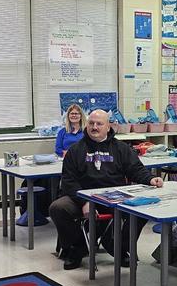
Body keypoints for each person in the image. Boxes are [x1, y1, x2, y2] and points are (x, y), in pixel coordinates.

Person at [49, 110, 163, 270]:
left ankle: (119, 246)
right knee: (57, 208)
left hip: (115, 197)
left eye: (99, 124)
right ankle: (78, 247)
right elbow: (68, 181)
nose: (94, 127)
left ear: (108, 127)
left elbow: (136, 169)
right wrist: (84, 202)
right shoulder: (75, 150)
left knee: (142, 210)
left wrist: (150, 179)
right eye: (91, 123)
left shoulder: (121, 148)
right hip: (84, 197)